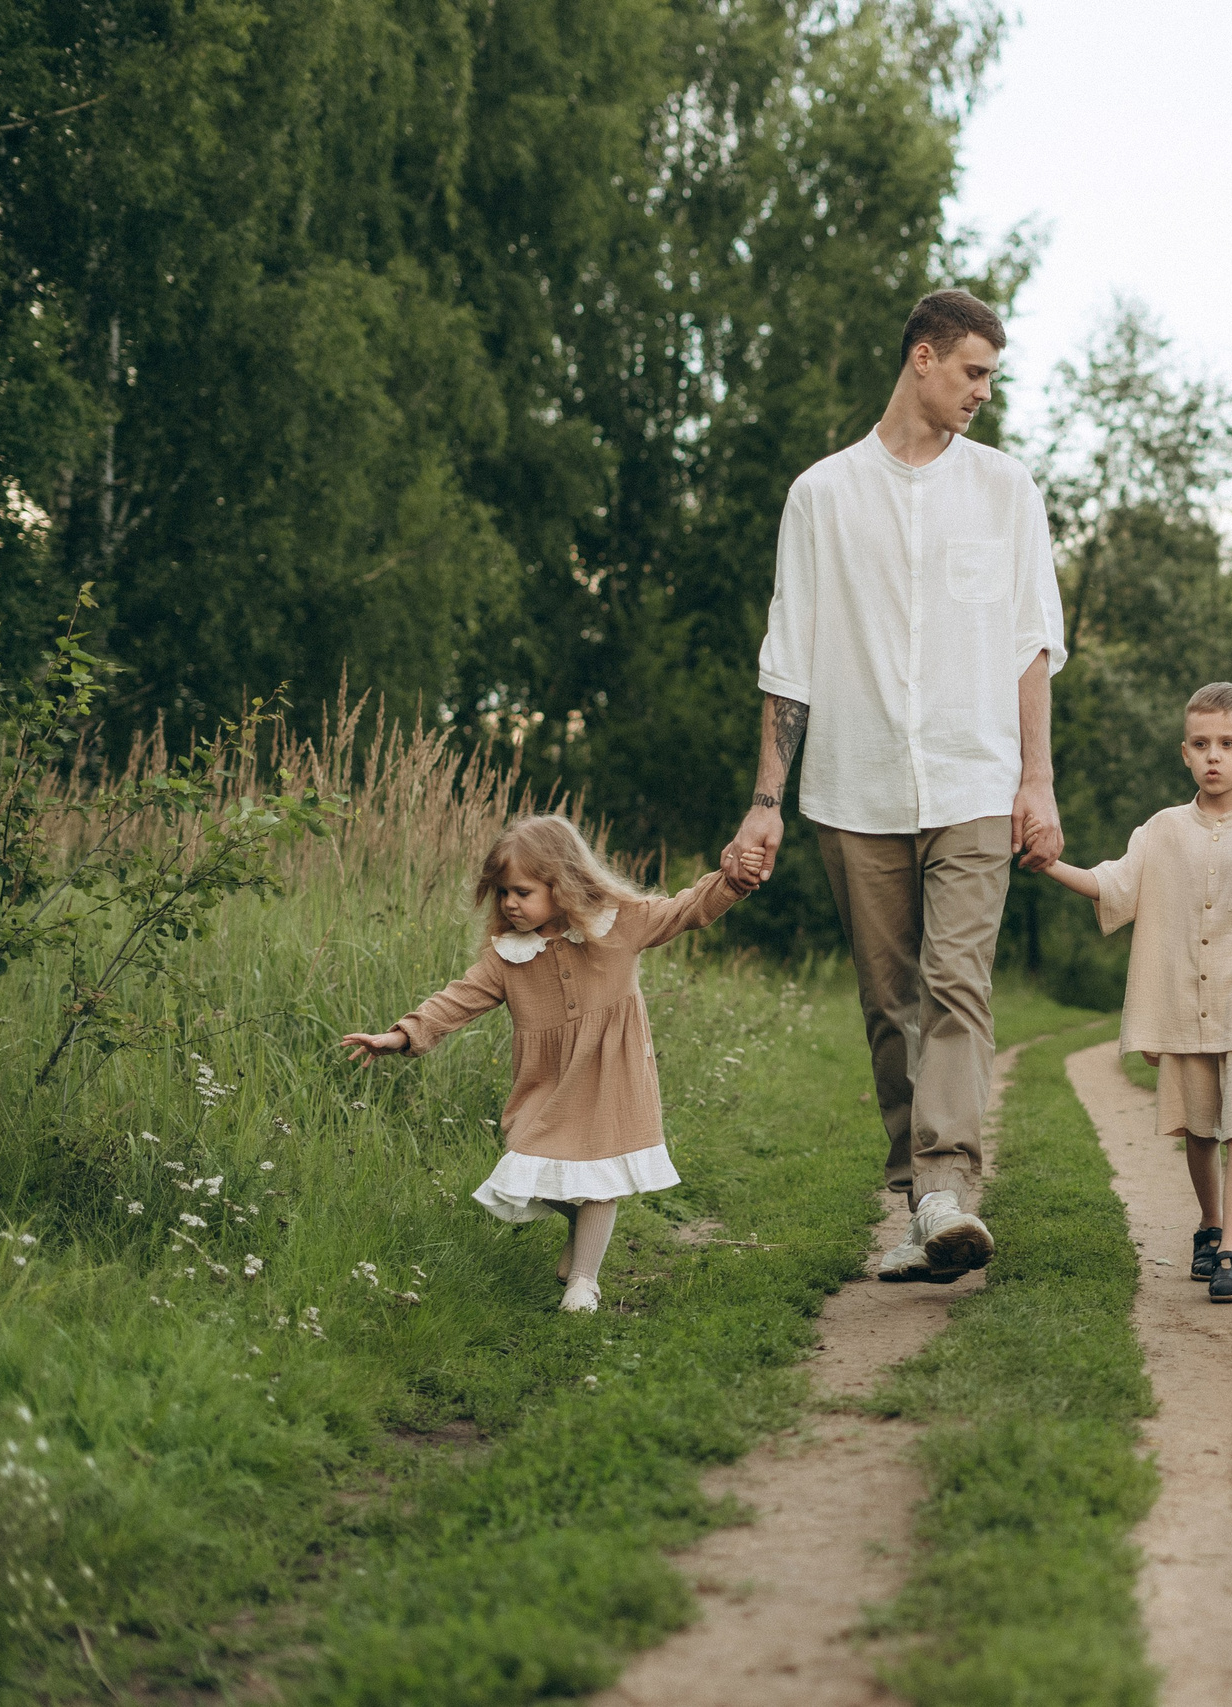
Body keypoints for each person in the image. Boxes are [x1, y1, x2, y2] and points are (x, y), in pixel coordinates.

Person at [719, 288, 1068, 1284]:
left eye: (992, 376)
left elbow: (1029, 648)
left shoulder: (1005, 490)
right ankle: (922, 1203)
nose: (983, 393)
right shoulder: (822, 496)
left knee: (957, 985)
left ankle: (949, 1187)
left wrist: (1035, 782)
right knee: (889, 1005)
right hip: (854, 786)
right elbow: (789, 658)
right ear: (922, 357)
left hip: (972, 778)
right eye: (972, 371)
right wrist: (764, 800)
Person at [339, 814, 753, 1312]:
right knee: (525, 1164)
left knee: (600, 1171)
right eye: (501, 893)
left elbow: (686, 908)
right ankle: (584, 1232)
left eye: (522, 891)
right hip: (546, 1084)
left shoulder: (619, 924)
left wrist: (729, 880)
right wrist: (402, 1035)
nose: (509, 904)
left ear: (564, 884)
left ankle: (583, 1282)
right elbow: (458, 999)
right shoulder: (508, 957)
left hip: (611, 1075)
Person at [1040, 683, 1232, 1303]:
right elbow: (1114, 884)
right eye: (1202, 744)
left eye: (1228, 744)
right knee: (1200, 1127)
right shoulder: (1161, 830)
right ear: (1184, 753)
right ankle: (1209, 1224)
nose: (1214, 756)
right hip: (1185, 998)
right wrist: (1046, 865)